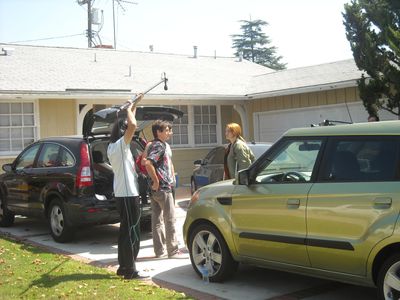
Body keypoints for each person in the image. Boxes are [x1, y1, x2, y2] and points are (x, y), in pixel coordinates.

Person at [107, 96, 149, 280]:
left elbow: (132, 124)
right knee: (131, 232)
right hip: (127, 195)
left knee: (127, 231)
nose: (132, 133)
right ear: (123, 131)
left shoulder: (115, 147)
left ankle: (124, 267)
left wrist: (135, 104)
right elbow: (133, 126)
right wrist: (130, 109)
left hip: (126, 194)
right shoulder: (119, 146)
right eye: (128, 130)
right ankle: (130, 270)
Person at [144, 120, 185, 259]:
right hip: (162, 188)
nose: (169, 133)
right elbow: (148, 163)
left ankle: (159, 251)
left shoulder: (152, 145)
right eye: (167, 130)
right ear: (158, 132)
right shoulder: (159, 146)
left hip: (155, 189)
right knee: (169, 219)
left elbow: (145, 161)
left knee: (156, 221)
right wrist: (156, 180)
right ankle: (172, 251)